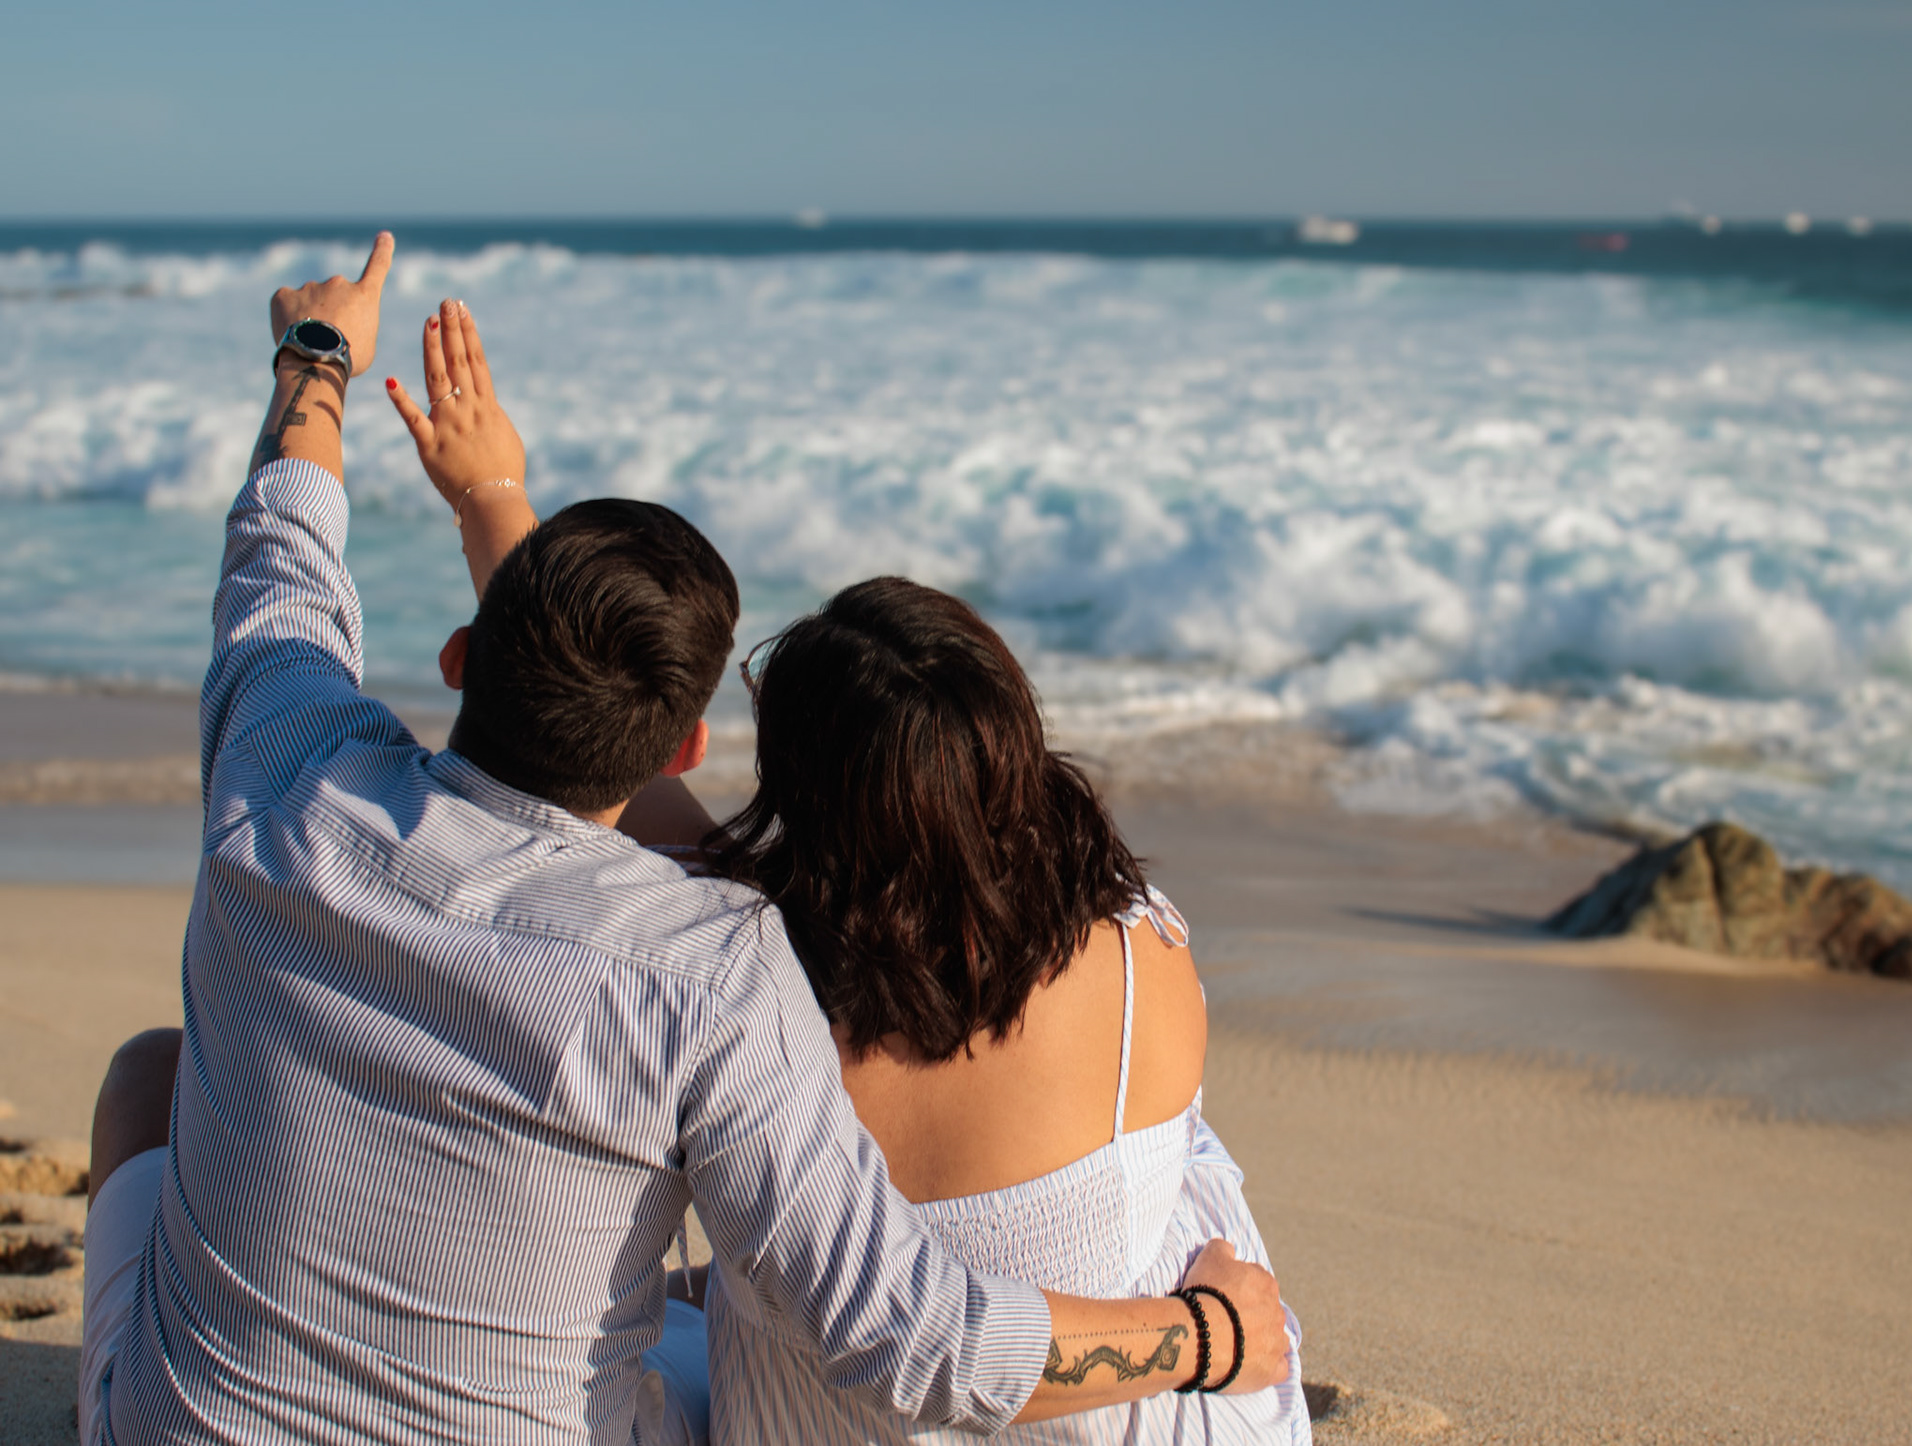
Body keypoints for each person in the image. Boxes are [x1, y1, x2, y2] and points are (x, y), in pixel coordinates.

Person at [79, 235, 1290, 1446]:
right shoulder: (710, 971)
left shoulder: (284, 768)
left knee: (150, 1077)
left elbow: (281, 552)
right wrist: (1207, 1337)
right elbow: (914, 1340)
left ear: (458, 660)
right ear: (683, 746)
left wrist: (320, 359)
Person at [683, 580, 1312, 1443]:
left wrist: (502, 517)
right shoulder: (1139, 949)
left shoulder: (750, 998)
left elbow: (612, 765)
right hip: (1145, 1404)